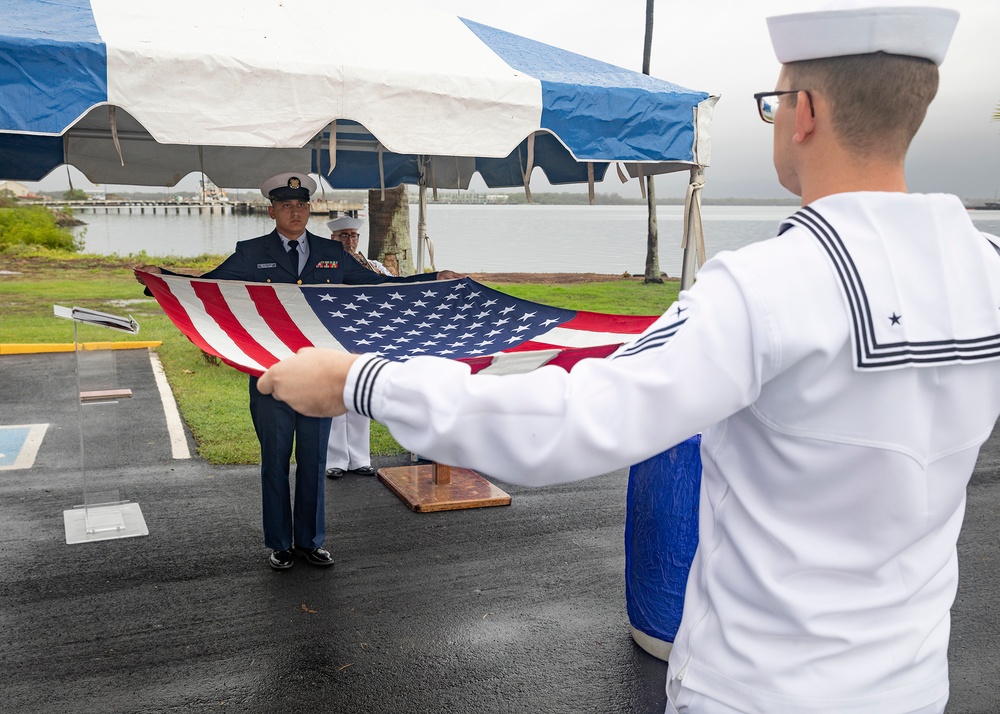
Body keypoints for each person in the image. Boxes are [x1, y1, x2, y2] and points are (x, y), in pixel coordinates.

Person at [256, 4, 992, 712]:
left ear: (803, 113)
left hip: (762, 690)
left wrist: (361, 379)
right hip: (912, 685)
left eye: (772, 103)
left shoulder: (766, 288)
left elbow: (576, 418)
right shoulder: (985, 268)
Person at [135, 171, 462, 571]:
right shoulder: (251, 253)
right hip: (270, 375)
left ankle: (310, 541)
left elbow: (379, 287)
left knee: (313, 459)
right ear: (272, 210)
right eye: (287, 205)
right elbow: (209, 286)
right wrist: (161, 280)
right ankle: (280, 544)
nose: (296, 211)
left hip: (317, 380)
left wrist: (433, 279)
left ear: (310, 209)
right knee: (275, 461)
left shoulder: (333, 253)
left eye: (302, 204)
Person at [324, 215, 387, 478]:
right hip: (335, 335)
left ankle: (360, 458)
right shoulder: (326, 265)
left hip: (366, 336)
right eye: (343, 236)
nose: (349, 240)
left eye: (353, 236)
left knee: (361, 395)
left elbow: (390, 289)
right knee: (337, 396)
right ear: (333, 239)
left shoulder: (374, 266)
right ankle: (336, 459)